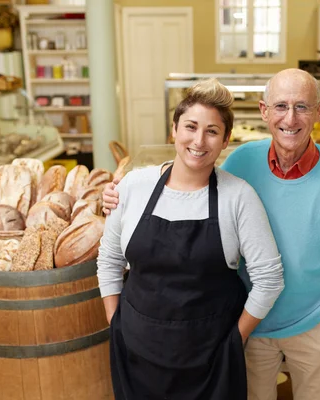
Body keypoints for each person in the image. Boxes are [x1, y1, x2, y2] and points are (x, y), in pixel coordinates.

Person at [103, 69, 320, 400]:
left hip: (309, 327)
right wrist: (119, 196)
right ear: (264, 111)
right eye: (280, 106)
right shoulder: (243, 161)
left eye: (302, 107)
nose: (290, 118)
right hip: (251, 331)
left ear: (319, 111)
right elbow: (192, 173)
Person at [97, 78, 284, 400]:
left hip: (210, 359)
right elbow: (109, 260)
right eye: (190, 126)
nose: (199, 140)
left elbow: (269, 279)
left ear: (225, 141)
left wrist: (233, 341)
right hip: (136, 350)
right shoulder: (132, 186)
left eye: (212, 131)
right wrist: (116, 323)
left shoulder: (238, 196)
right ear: (174, 130)